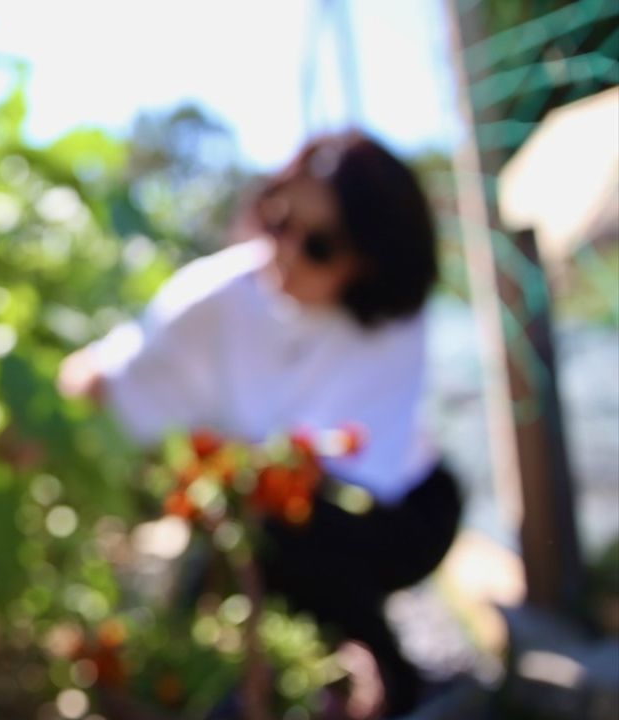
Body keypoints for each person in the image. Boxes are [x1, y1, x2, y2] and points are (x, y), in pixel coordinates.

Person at [58, 129, 462, 717]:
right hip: (282, 513)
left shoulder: (390, 320)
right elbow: (118, 369)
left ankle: (389, 679)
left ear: (372, 257)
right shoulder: (218, 295)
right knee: (238, 552)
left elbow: (344, 460)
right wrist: (69, 390)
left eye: (320, 245)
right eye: (279, 222)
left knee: (279, 535)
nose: (288, 252)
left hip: (404, 514)